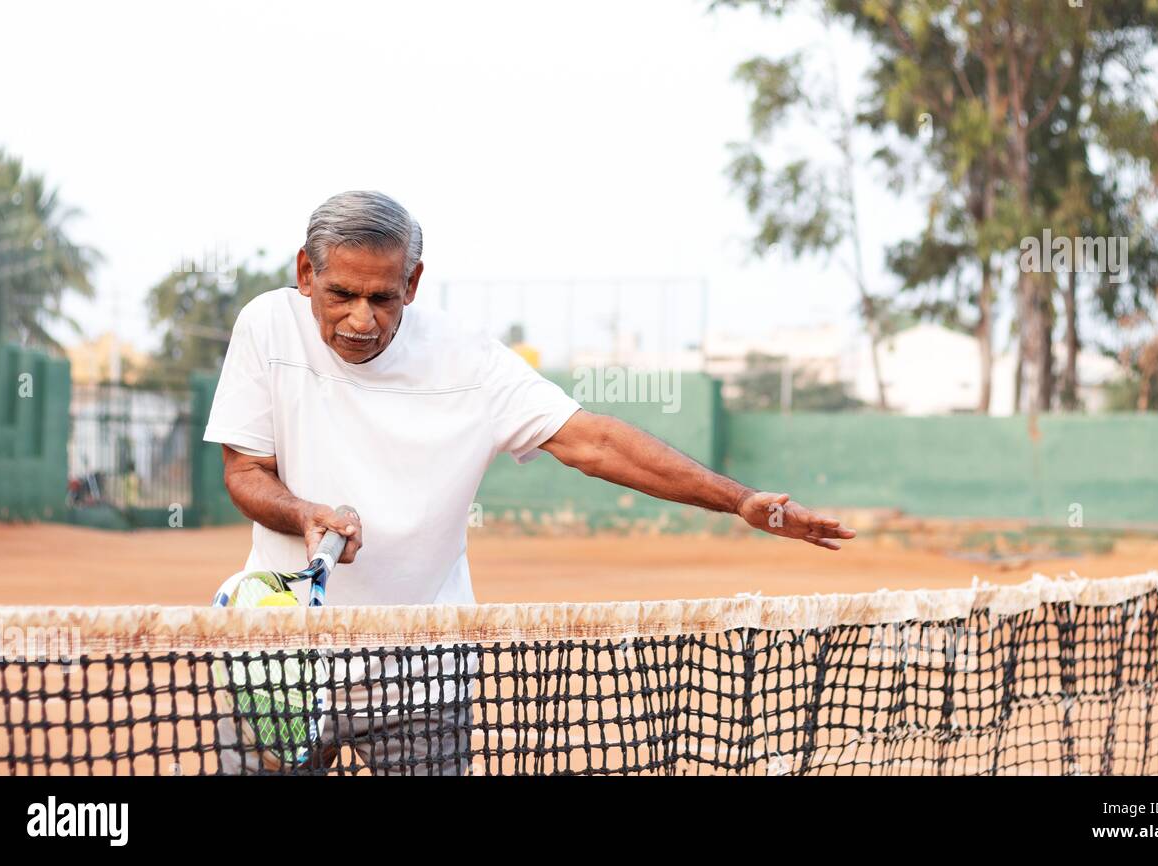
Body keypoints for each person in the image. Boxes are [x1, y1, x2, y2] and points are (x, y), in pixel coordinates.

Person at [204, 190, 854, 775]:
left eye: (383, 297)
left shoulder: (470, 360)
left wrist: (738, 500)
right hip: (283, 665)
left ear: (414, 281)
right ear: (305, 273)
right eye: (341, 294)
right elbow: (246, 472)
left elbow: (593, 442)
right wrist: (305, 514)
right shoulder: (267, 327)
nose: (362, 319)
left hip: (424, 676)